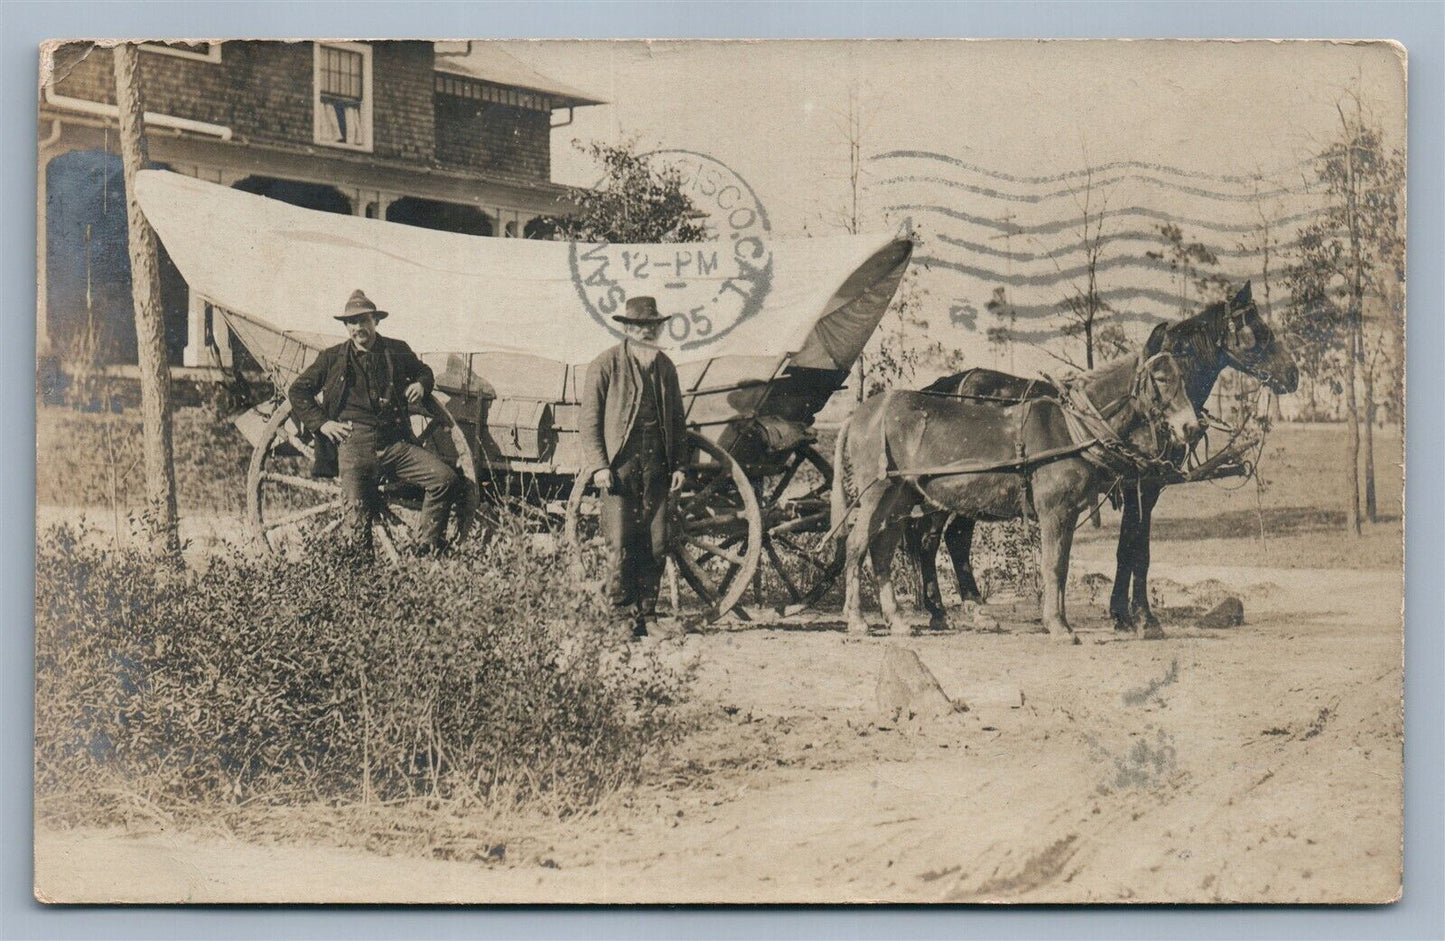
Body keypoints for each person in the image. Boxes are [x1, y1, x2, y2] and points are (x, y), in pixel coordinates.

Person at [288, 289, 458, 556]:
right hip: (354, 444)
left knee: (444, 479)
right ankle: (360, 574)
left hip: (394, 445)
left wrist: (421, 385)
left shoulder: (396, 350)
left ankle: (425, 551)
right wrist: (322, 424)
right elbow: (298, 390)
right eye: (352, 322)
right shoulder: (331, 358)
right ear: (346, 327)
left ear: (375, 321)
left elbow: (424, 372)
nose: (358, 328)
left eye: (364, 320)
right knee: (357, 529)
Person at [580, 296, 688, 636]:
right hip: (620, 468)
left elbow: (677, 420)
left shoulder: (665, 367)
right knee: (620, 541)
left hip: (657, 465)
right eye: (640, 326)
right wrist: (600, 465)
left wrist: (679, 466)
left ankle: (648, 617)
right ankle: (621, 618)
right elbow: (589, 421)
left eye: (653, 326)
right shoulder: (605, 364)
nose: (647, 332)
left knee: (656, 542)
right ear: (627, 329)